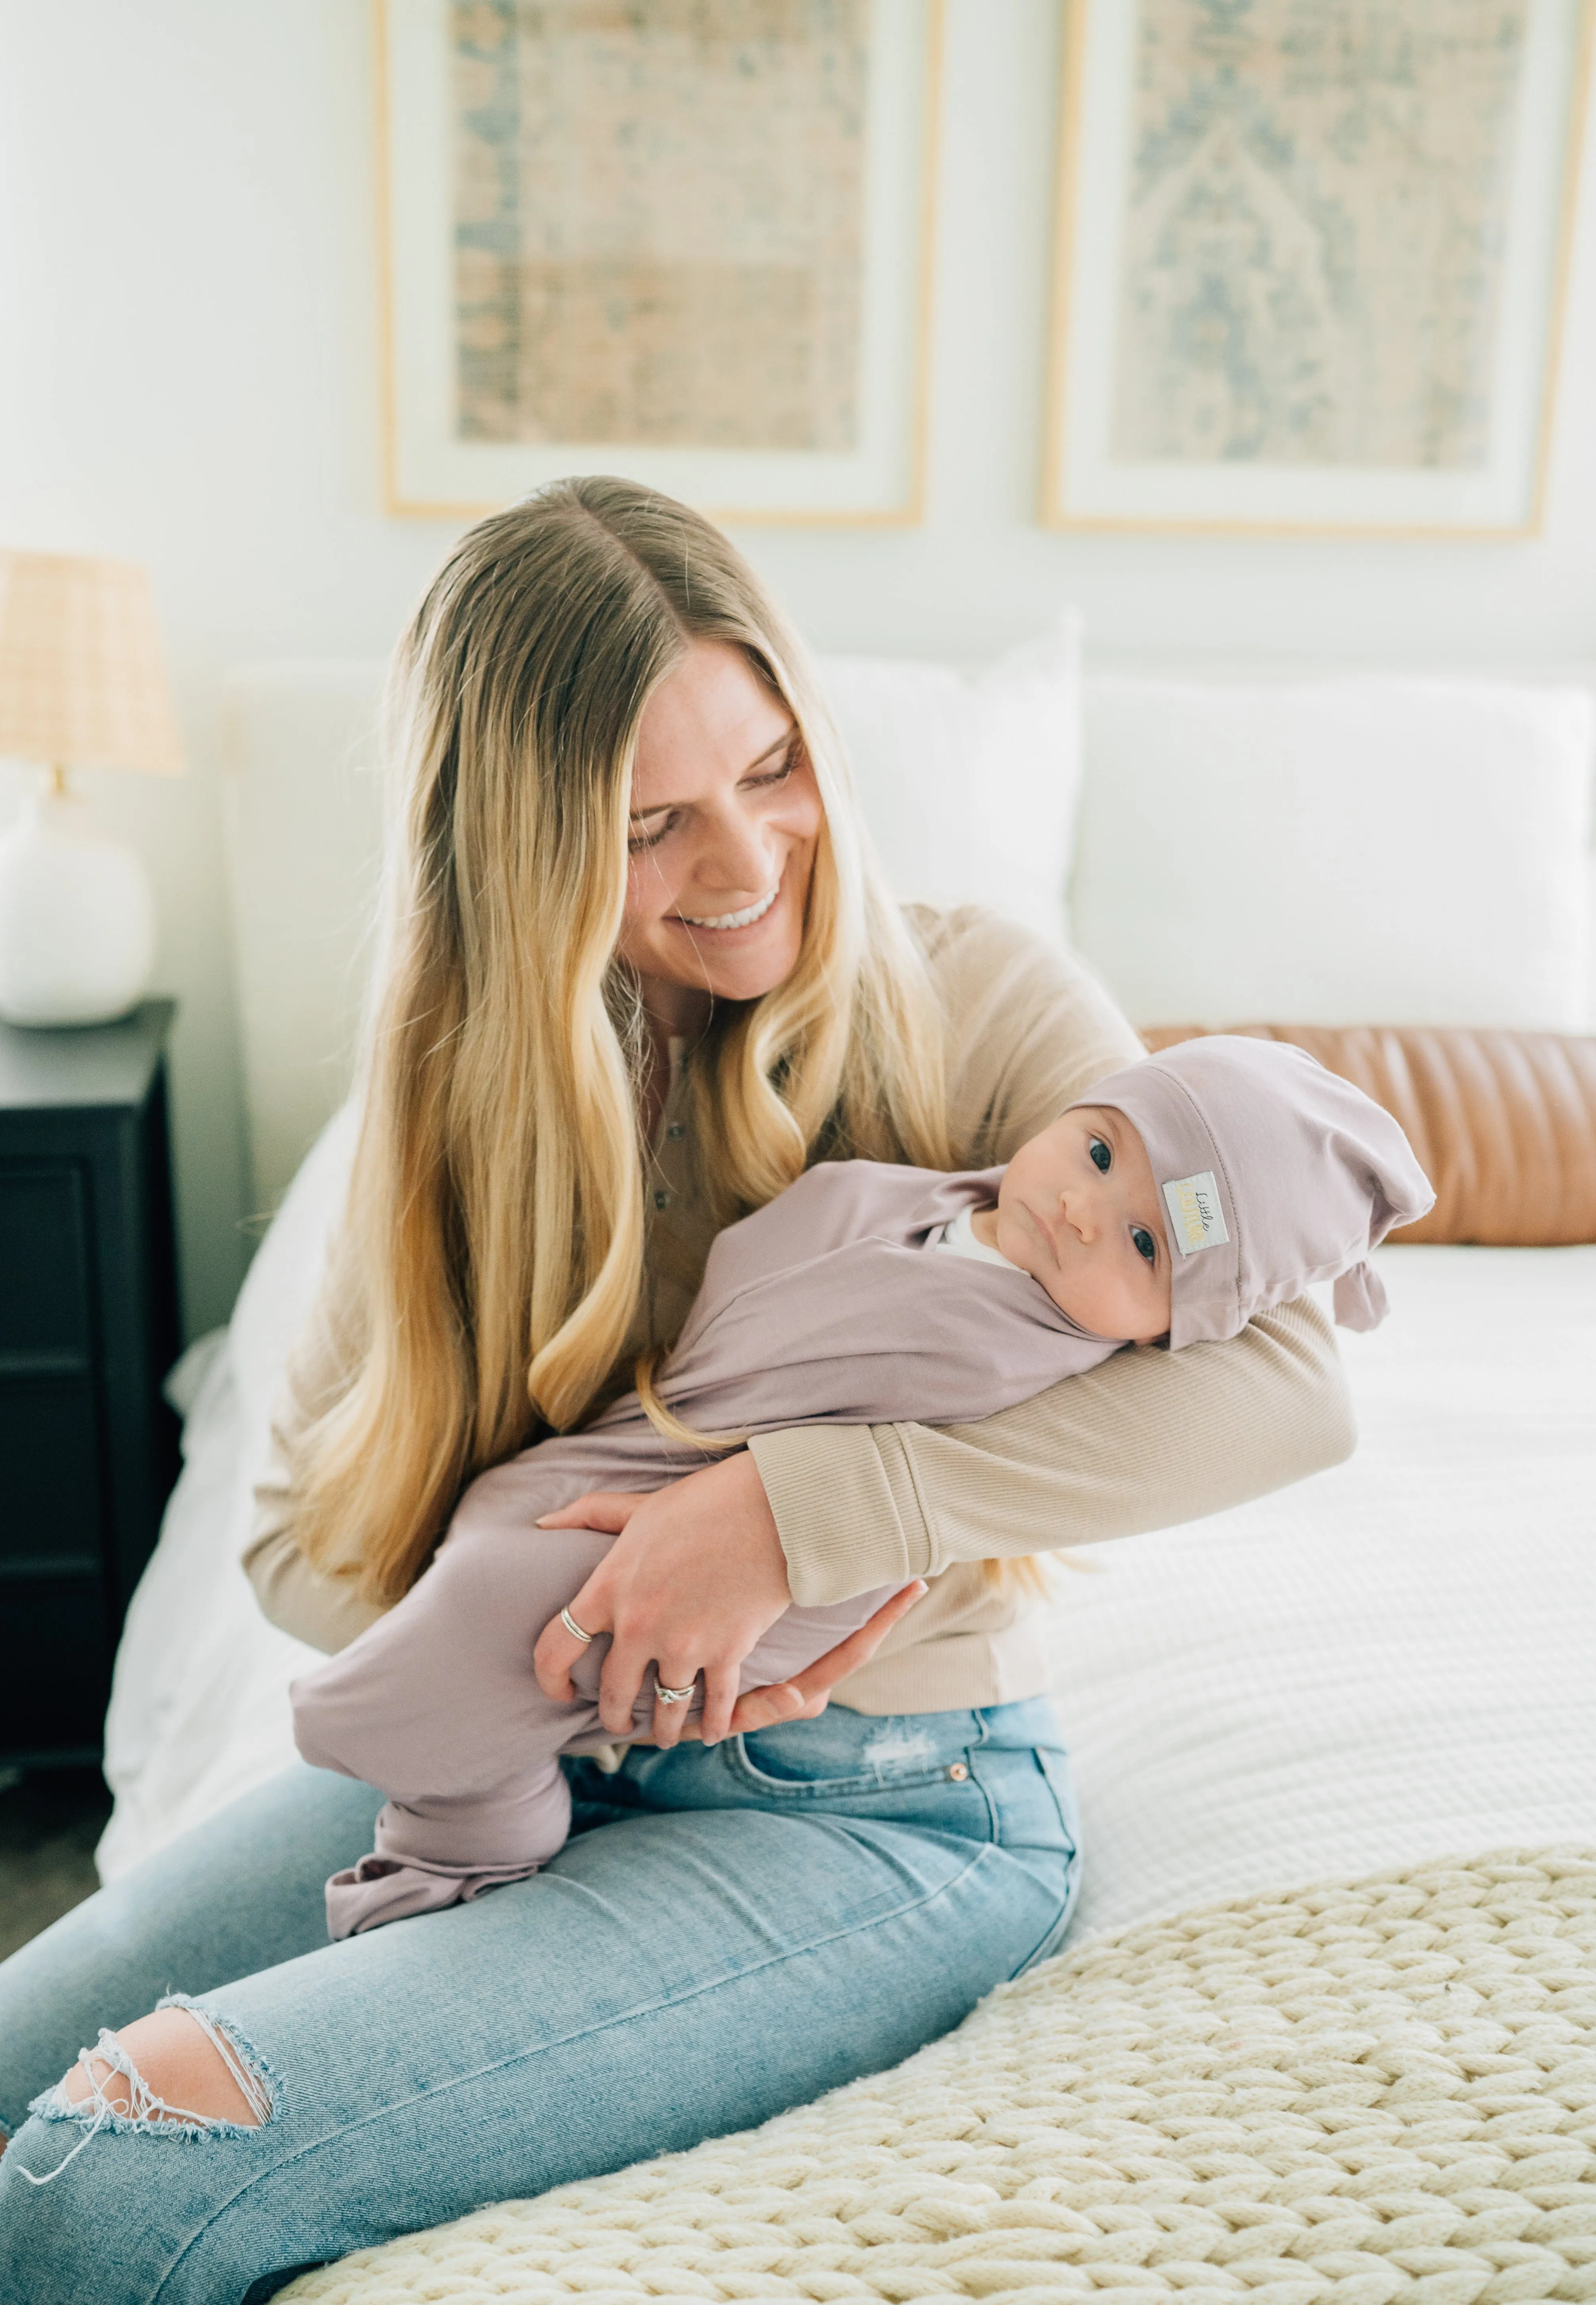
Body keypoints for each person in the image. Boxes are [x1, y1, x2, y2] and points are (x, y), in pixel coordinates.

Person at [0, 479, 1355, 2303]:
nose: (742, 864)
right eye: (649, 825)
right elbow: (288, 1537)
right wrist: (574, 1617)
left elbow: (1292, 1384)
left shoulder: (972, 1000)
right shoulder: (451, 1100)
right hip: (525, 1760)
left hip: (891, 1808)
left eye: (773, 770)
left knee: (103, 2176)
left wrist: (786, 1517)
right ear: (511, 847)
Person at [296, 1037, 1429, 1941]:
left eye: (1145, 1243)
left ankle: (461, 1853)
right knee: (503, 1521)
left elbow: (1308, 1413)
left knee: (517, 1602)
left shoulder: (1030, 1353)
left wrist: (780, 1507)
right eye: (1097, 1154)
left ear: (1179, 1329)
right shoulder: (929, 1203)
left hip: (790, 1584)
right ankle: (460, 1767)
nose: (1088, 1210)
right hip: (655, 1450)